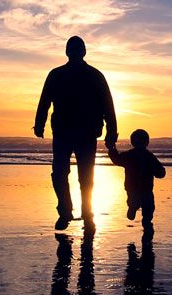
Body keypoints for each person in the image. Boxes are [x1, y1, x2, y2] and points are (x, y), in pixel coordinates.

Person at [34, 36, 117, 230]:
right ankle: (66, 211)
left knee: (81, 176)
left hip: (85, 132)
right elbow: (45, 100)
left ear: (82, 52)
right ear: (68, 52)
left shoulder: (94, 75)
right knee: (62, 174)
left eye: (76, 49)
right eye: (73, 49)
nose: (75, 53)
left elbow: (108, 105)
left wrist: (112, 132)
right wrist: (39, 123)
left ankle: (85, 213)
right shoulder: (57, 74)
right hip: (65, 132)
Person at [108, 129, 166, 237]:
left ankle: (135, 210)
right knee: (148, 207)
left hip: (135, 188)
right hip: (144, 189)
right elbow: (160, 172)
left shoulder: (130, 155)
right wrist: (161, 172)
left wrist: (112, 148)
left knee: (140, 203)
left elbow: (116, 159)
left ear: (132, 142)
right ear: (147, 143)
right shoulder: (149, 157)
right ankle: (145, 221)